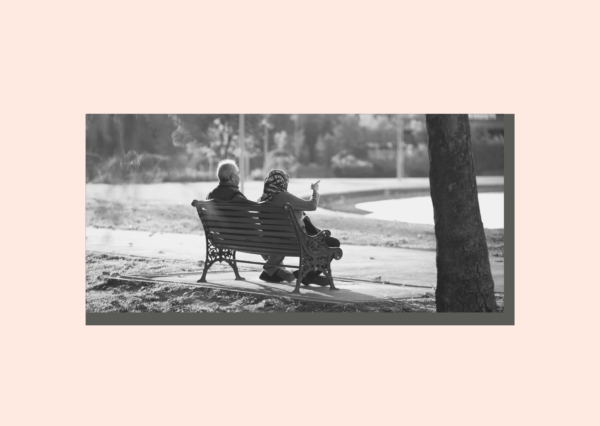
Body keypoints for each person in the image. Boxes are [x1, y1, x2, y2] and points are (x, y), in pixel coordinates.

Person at [257, 169, 340, 284]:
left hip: (273, 243)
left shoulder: (261, 200)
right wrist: (315, 191)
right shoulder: (284, 197)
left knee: (321, 239)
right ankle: (306, 275)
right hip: (297, 242)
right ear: (282, 183)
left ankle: (309, 276)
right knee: (333, 243)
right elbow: (312, 205)